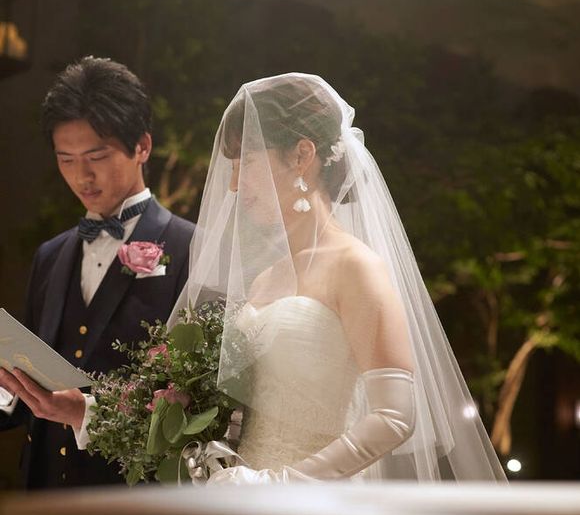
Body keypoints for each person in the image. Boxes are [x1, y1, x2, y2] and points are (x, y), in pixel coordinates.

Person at [169, 73, 507, 483]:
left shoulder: (356, 266)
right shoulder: (265, 279)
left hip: (315, 498)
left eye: (248, 163)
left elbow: (395, 417)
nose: (236, 185)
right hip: (244, 495)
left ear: (301, 155)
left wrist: (280, 485)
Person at [0, 56, 195, 489]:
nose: (81, 176)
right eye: (66, 159)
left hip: (133, 495)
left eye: (97, 156)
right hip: (45, 491)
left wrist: (85, 411)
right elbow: (19, 391)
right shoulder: (50, 255)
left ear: (142, 146)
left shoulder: (190, 249)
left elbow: (196, 402)